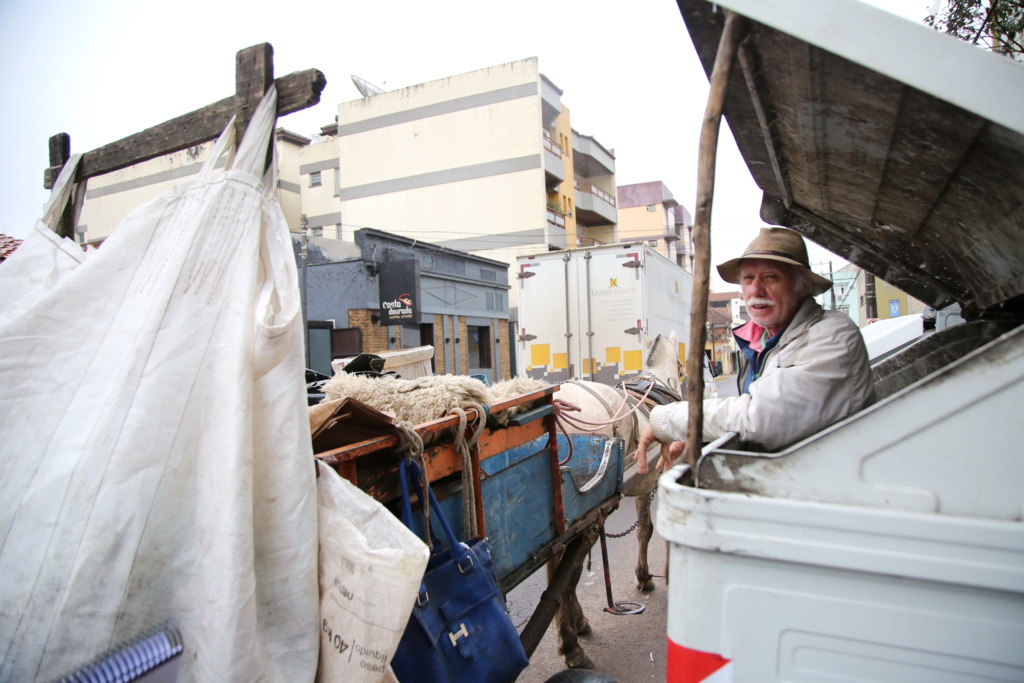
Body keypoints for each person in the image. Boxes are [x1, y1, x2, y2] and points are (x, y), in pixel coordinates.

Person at [636, 226, 875, 472]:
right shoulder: (766, 342)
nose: (756, 290)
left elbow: (762, 418)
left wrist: (664, 420)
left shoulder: (829, 337)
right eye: (748, 278)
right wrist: (703, 437)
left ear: (802, 286)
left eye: (771, 277)